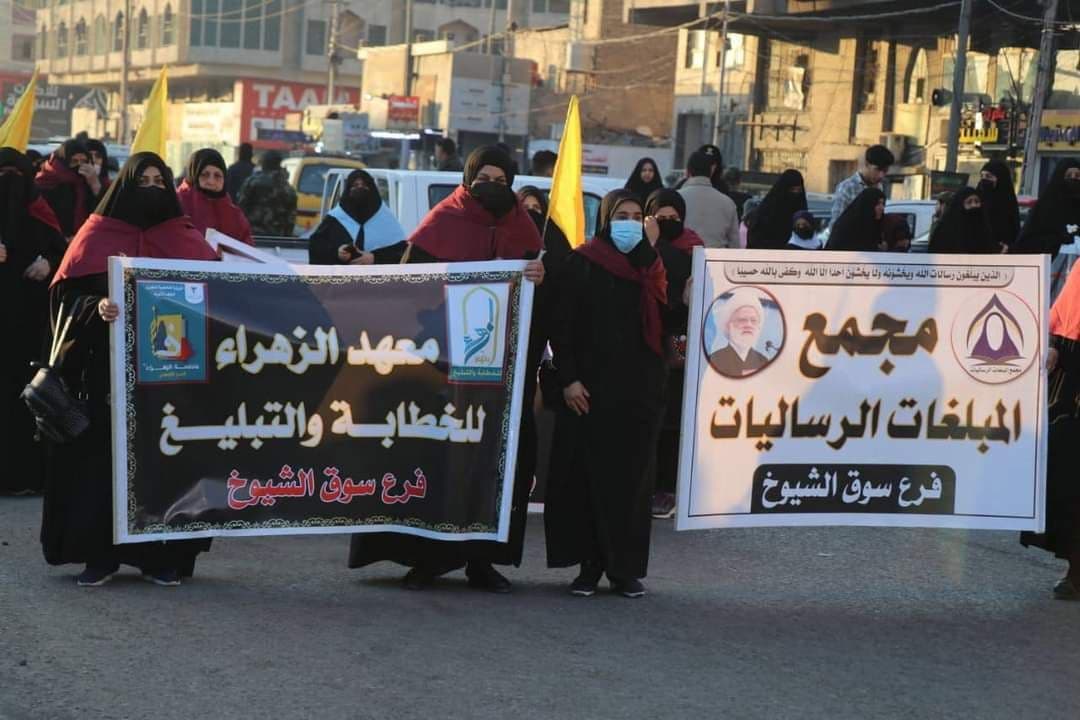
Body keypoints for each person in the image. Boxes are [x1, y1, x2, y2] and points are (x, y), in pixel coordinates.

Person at [348, 146, 545, 593]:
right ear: (468, 179)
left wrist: (539, 277)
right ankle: (427, 559)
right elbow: (408, 288)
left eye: (501, 180)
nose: (491, 186)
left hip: (497, 377)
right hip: (441, 371)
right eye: (484, 178)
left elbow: (544, 302)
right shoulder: (443, 220)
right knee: (438, 462)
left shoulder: (523, 227)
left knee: (490, 466)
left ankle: (482, 560)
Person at [44, 152, 216, 586]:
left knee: (162, 464)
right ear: (125, 186)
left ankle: (160, 557)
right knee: (101, 465)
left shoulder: (184, 238)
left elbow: (217, 295)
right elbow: (65, 299)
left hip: (168, 378)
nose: (153, 189)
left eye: (160, 181)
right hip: (104, 375)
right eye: (144, 181)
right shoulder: (97, 234)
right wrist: (96, 307)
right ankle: (99, 556)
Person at [545, 189, 668, 598]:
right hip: (590, 391)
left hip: (638, 393)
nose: (629, 223)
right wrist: (569, 379)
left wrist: (658, 262)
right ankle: (589, 567)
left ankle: (624, 570)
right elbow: (562, 327)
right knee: (587, 481)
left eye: (636, 216)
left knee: (630, 484)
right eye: (621, 215)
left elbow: (667, 318)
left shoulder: (651, 265)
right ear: (605, 219)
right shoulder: (582, 262)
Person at [0, 147, 65, 495]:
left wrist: (48, 262)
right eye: (2, 175)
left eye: (16, 176)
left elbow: (63, 253)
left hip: (30, 329)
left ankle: (28, 476)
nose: (9, 183)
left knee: (29, 398)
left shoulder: (41, 212)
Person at [643, 188, 703, 520]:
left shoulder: (694, 249)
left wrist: (657, 245)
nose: (668, 222)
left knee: (673, 414)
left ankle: (666, 487)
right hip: (644, 340)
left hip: (678, 342)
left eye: (674, 218)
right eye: (660, 217)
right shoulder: (639, 247)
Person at [1023, 265, 1080, 599]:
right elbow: (1069, 306)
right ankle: (1075, 569)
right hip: (1072, 378)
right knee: (1067, 472)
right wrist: (1055, 342)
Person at [307, 169, 405, 264]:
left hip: (377, 275)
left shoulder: (386, 219)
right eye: (355, 185)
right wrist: (337, 253)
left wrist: (375, 258)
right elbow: (316, 247)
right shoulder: (335, 218)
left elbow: (402, 254)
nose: (360, 188)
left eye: (364, 185)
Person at [177, 148, 254, 246]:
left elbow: (246, 246)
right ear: (194, 175)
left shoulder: (234, 214)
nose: (211, 181)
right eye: (205, 175)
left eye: (217, 175)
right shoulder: (177, 206)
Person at [35, 138, 102, 239]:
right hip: (54, 240)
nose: (79, 165)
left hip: (83, 239)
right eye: (74, 161)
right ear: (63, 161)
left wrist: (95, 183)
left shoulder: (87, 181)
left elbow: (101, 211)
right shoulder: (46, 181)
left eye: (83, 161)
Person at [1015, 159, 1080, 257]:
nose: (1073, 179)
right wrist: (1059, 240)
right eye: (1068, 176)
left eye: (1077, 176)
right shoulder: (1044, 208)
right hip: (1049, 262)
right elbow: (1026, 243)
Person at [678, 150, 739, 249]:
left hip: (683, 255)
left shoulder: (676, 198)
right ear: (711, 171)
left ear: (688, 171)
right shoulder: (727, 202)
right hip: (716, 257)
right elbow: (734, 244)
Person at [236, 150, 297, 237]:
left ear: (264, 163)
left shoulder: (252, 182)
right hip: (277, 237)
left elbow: (240, 207)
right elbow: (291, 218)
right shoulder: (287, 188)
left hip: (252, 235)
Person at [829, 145, 894, 226]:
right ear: (867, 164)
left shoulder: (879, 187)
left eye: (885, 171)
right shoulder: (847, 188)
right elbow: (836, 224)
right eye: (877, 169)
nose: (881, 175)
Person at [707, 297, 769, 377]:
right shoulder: (714, 360)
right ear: (729, 326)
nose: (749, 325)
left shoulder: (763, 362)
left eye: (753, 321)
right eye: (742, 320)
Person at [747, 169, 808, 250]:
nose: (795, 194)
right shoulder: (764, 214)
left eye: (798, 191)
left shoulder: (802, 216)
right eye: (792, 190)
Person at [928, 188, 998, 254]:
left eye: (977, 201)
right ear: (960, 206)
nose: (974, 205)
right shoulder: (945, 231)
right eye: (969, 202)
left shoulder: (985, 230)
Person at [978, 160, 1020, 251]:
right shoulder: (976, 202)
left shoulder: (1008, 206)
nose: (984, 180)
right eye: (982, 176)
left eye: (988, 176)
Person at [825, 187, 885, 252]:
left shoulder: (875, 225)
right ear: (868, 205)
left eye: (883, 204)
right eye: (878, 204)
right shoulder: (846, 226)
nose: (882, 208)